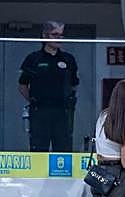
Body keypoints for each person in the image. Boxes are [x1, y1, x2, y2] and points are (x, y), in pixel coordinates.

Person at [18, 22, 79, 152]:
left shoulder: (68, 59)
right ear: (45, 35)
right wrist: (34, 100)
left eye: (61, 35)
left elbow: (74, 85)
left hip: (62, 111)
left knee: (63, 147)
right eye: (55, 34)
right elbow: (22, 85)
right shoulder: (33, 59)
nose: (59, 38)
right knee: (38, 148)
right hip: (40, 110)